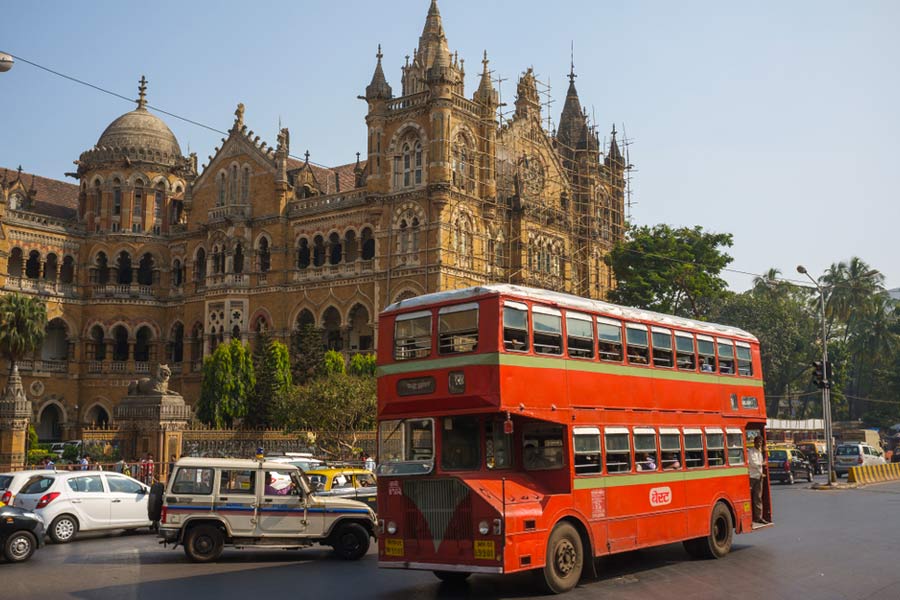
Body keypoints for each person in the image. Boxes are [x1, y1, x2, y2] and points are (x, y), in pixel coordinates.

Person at [748, 435, 768, 524]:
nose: (759, 444)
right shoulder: (751, 452)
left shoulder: (760, 452)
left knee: (758, 498)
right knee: (749, 497)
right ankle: (749, 517)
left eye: (761, 442)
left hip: (759, 477)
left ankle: (758, 517)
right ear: (754, 442)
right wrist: (762, 463)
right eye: (758, 442)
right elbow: (753, 463)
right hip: (752, 477)